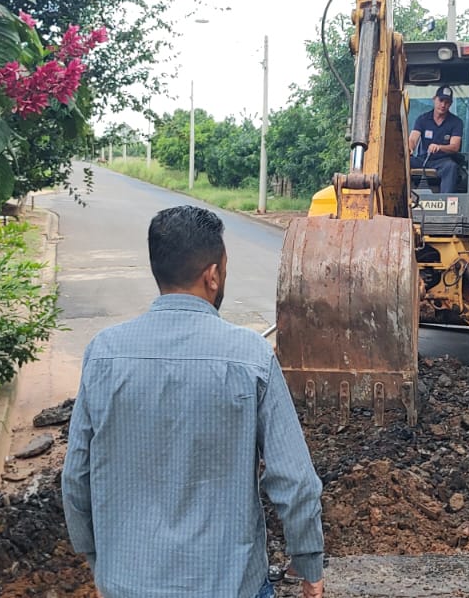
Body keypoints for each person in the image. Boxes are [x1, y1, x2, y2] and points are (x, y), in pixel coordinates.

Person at [63, 205, 325, 598]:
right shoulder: (250, 357)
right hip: (229, 586)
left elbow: (75, 477)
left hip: (126, 585)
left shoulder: (103, 354)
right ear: (213, 275)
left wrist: (100, 563)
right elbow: (296, 481)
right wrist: (309, 565)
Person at [408, 85, 465, 193]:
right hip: (423, 159)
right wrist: (410, 148)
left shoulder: (456, 122)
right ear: (434, 99)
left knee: (451, 167)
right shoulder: (423, 119)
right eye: (441, 100)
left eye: (447, 102)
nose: (443, 105)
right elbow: (413, 139)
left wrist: (439, 147)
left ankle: (445, 201)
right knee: (401, 163)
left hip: (443, 161)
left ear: (451, 104)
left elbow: (455, 146)